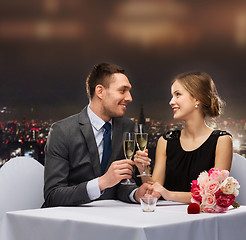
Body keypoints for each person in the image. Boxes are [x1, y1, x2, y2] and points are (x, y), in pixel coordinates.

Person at [43, 62, 149, 207]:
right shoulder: (62, 131)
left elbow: (120, 185)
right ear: (100, 91)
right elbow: (53, 195)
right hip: (71, 221)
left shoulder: (127, 127)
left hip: (113, 218)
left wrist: (135, 194)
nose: (129, 97)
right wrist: (101, 183)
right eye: (123, 90)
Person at [134, 72, 233, 203]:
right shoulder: (165, 141)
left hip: (202, 220)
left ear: (197, 98)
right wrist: (143, 169)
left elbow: (215, 195)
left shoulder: (222, 141)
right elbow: (154, 190)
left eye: (178, 94)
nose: (171, 102)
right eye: (172, 96)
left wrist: (169, 195)